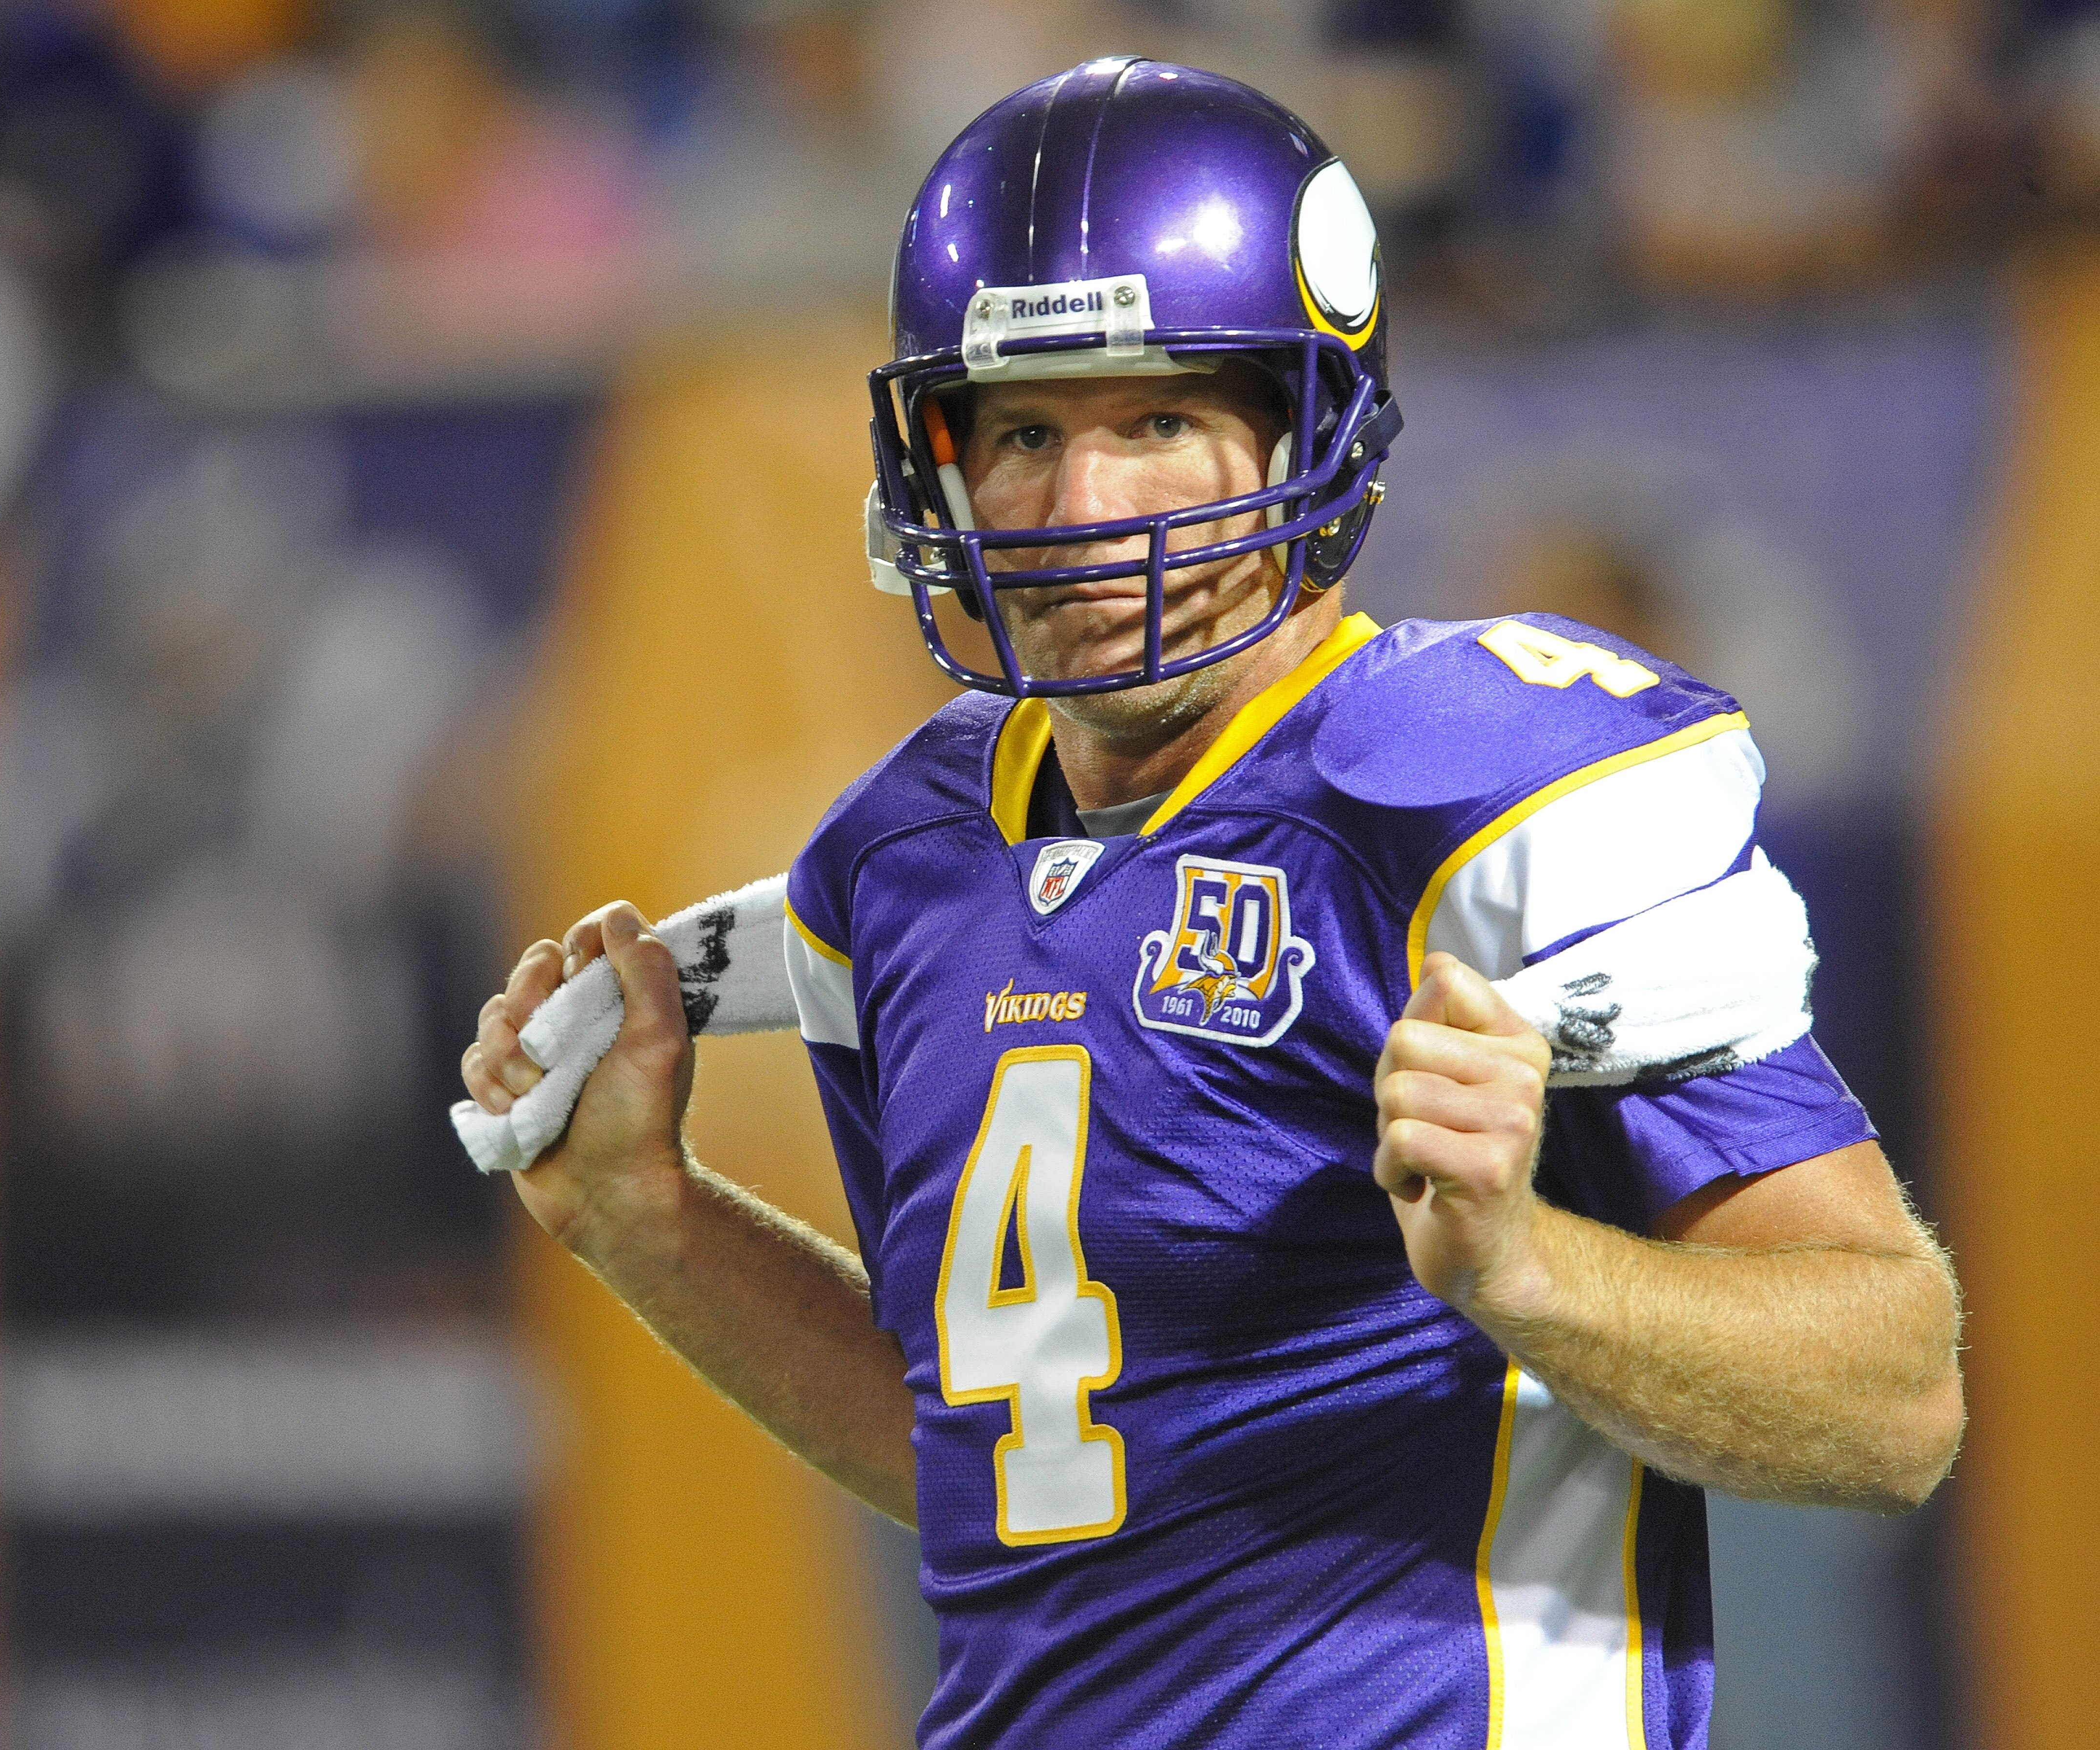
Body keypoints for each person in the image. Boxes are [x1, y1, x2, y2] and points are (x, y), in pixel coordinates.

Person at [461, 60, 1961, 1750]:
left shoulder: (1466, 801)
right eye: (1024, 433)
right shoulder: (906, 858)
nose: (1080, 510)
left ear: (1309, 426)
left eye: (1156, 422)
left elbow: (1892, 1399)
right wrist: (647, 1220)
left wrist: (1528, 1272)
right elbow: (1016, 1467)